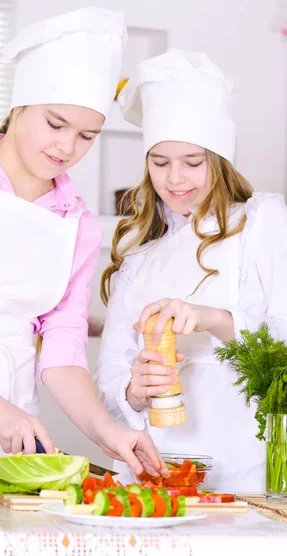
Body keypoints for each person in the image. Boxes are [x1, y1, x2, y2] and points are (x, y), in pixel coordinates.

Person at [0, 7, 168, 485]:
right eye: (55, 123)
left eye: (86, 135)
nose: (67, 148)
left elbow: (62, 355)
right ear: (20, 106)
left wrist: (107, 431)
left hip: (13, 438)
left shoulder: (77, 223)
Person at [95, 48, 287, 493]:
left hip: (247, 465)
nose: (175, 179)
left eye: (193, 162)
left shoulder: (262, 221)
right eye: (159, 162)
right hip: (159, 468)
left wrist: (213, 319)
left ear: (219, 159)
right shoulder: (139, 255)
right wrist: (134, 390)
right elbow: (109, 374)